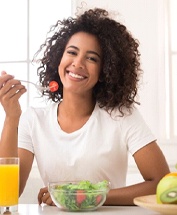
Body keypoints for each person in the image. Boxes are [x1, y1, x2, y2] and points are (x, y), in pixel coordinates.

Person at [0, 8, 170, 206]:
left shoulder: (121, 115)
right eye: (72, 52)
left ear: (105, 70)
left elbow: (161, 184)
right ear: (59, 60)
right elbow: (6, 193)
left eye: (92, 58)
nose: (78, 63)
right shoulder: (34, 120)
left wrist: (88, 197)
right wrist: (12, 118)